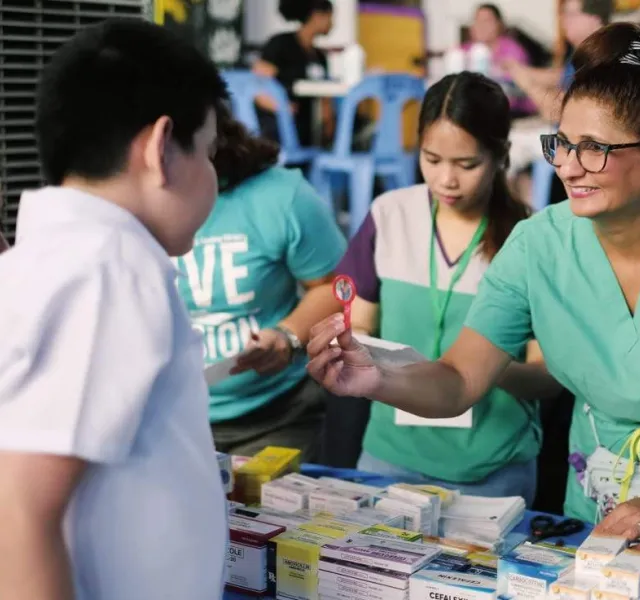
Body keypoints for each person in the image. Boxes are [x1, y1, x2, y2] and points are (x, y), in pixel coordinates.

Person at [307, 22, 640, 548]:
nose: (568, 166)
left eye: (594, 149)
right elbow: (458, 381)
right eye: (561, 143)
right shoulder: (538, 245)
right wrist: (376, 377)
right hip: (599, 498)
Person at [0, 19, 228, 600]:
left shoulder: (59, 257)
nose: (213, 175)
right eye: (207, 150)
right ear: (160, 148)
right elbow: (21, 510)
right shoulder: (111, 267)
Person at [320, 72, 563, 504]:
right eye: (432, 160)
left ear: (501, 156)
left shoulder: (530, 238)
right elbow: (357, 327)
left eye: (467, 165)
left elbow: (549, 377)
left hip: (490, 474)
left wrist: (476, 369)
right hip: (388, 460)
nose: (446, 180)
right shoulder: (389, 215)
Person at [175, 104, 346, 459]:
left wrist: (286, 336)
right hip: (168, 423)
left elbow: (338, 287)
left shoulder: (280, 196)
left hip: (277, 416)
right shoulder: (124, 209)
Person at [504, 0, 612, 203]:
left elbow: (557, 112)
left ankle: (522, 219)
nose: (563, 21)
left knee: (505, 148)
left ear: (594, 19)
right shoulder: (585, 51)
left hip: (577, 142)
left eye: (570, 15)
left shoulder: (598, 58)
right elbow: (558, 76)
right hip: (564, 135)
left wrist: (526, 82)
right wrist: (518, 70)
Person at [252, 0, 334, 147]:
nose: (332, 23)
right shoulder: (281, 44)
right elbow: (257, 87)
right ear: (317, 16)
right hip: (278, 124)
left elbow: (326, 102)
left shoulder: (319, 57)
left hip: (307, 125)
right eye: (330, 17)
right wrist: (282, 107)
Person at [463, 4, 534, 117]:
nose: (481, 26)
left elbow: (515, 91)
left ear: (499, 24)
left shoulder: (512, 50)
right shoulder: (464, 51)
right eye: (477, 20)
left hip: (512, 113)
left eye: (487, 21)